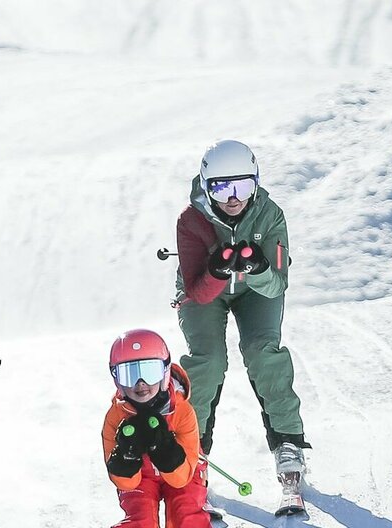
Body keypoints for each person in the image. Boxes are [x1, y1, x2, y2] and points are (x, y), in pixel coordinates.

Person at [173, 139, 309, 483]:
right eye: (221, 188)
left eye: (243, 186)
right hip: (207, 291)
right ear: (206, 188)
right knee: (207, 360)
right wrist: (218, 271)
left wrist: (259, 267)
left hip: (255, 290)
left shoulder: (270, 214)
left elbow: (277, 284)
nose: (233, 198)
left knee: (264, 353)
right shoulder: (192, 221)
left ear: (256, 182)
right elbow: (198, 294)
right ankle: (193, 448)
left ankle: (288, 443)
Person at [102, 329, 210, 528]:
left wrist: (166, 452)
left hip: (183, 470)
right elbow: (125, 483)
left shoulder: (181, 411)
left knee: (185, 514)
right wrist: (126, 458)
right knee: (140, 519)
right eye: (129, 375)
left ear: (165, 373)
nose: (140, 383)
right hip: (142, 477)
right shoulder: (116, 417)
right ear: (117, 379)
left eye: (149, 372)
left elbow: (182, 478)